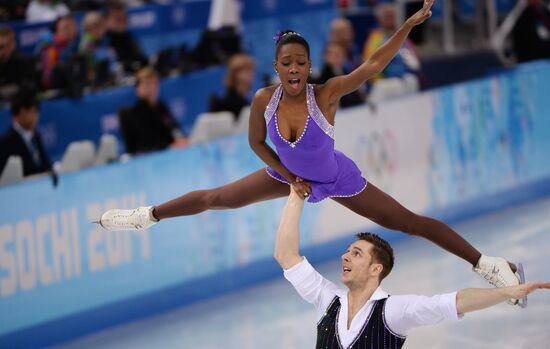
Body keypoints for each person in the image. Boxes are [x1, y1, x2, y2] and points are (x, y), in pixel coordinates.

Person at [96, 0, 524, 294]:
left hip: (337, 177)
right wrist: (286, 174)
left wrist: (408, 25)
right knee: (215, 197)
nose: (295, 69)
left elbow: (374, 64)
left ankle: (488, 265)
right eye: (287, 64)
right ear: (277, 67)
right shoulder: (264, 99)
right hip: (287, 177)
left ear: (310, 65)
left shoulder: (328, 95)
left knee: (409, 222)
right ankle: (146, 216)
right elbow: (255, 142)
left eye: (301, 62)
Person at [274, 186, 549, 348]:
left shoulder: (393, 312)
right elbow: (286, 255)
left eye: (356, 254)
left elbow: (456, 302)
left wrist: (508, 292)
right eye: (347, 252)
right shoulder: (327, 300)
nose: (345, 257)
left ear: (375, 269)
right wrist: (296, 196)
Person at [118, 66, 187, 155]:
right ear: (137, 89)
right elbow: (144, 143)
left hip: (171, 151)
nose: (152, 88)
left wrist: (182, 139)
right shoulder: (130, 114)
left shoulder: (161, 107)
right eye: (147, 84)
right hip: (148, 155)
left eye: (155, 83)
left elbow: (175, 129)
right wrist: (170, 146)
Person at [363, 3, 421, 82]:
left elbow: (415, 63)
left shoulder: (403, 36)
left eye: (393, 17)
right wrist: (380, 80)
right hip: (385, 82)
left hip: (405, 78)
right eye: (388, 17)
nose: (391, 20)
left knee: (412, 80)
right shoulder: (375, 38)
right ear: (380, 19)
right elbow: (369, 64)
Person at [0, 93, 52, 177]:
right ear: (15, 115)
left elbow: (45, 164)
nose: (33, 117)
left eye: (35, 111)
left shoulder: (36, 136)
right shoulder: (5, 142)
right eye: (28, 112)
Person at [35, 15, 79, 89]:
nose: (71, 31)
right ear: (56, 30)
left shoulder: (74, 43)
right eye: (66, 28)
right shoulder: (48, 45)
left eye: (72, 27)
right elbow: (47, 79)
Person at [315, 41, 364, 108]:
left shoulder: (346, 72)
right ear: (325, 56)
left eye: (337, 54)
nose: (333, 57)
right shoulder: (322, 77)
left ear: (344, 56)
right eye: (330, 54)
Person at [209, 53, 256, 121]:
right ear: (236, 74)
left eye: (251, 71)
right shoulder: (227, 103)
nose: (251, 74)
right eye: (246, 71)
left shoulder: (246, 98)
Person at [105, 1, 148, 74]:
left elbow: (141, 58)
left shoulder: (128, 36)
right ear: (107, 20)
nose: (122, 22)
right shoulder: (102, 40)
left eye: (124, 18)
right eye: (118, 19)